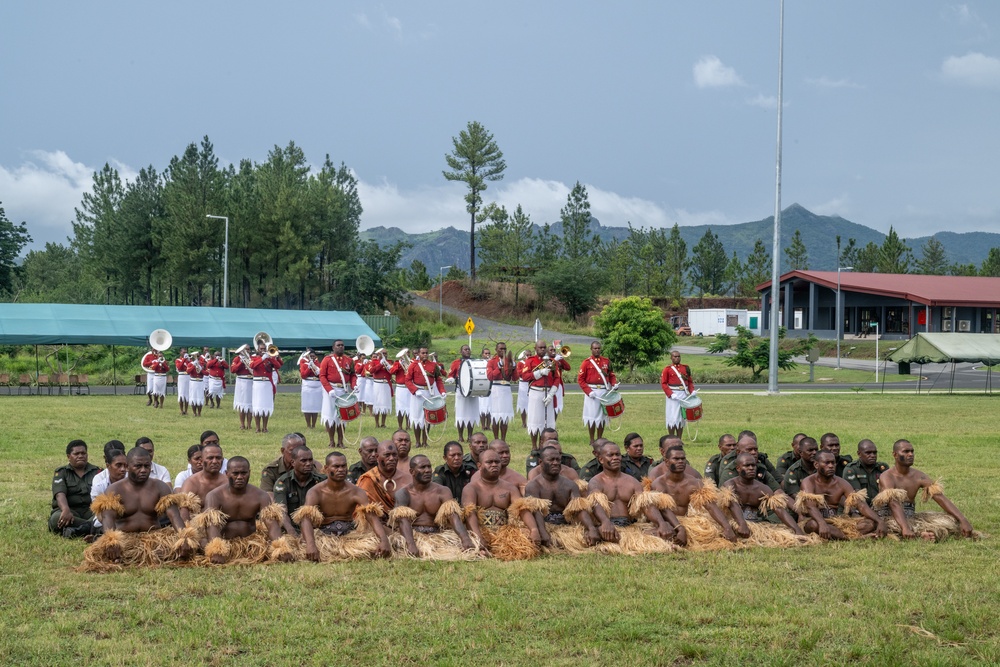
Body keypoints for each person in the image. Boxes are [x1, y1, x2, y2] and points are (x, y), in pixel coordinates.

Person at [87, 447, 194, 565]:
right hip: (125, 538)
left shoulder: (161, 487)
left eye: (147, 466)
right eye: (138, 466)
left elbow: (174, 516)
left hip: (154, 538)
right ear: (127, 467)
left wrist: (184, 538)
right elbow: (108, 519)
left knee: (181, 551)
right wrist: (111, 542)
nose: (143, 470)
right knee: (100, 557)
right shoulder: (114, 489)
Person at [293, 451, 392, 561]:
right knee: (302, 550)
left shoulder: (356, 492)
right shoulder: (315, 492)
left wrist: (384, 540)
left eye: (343, 466)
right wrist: (311, 545)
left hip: (349, 535)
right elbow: (306, 519)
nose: (340, 469)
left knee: (374, 548)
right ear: (326, 469)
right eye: (336, 466)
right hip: (323, 536)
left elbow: (371, 517)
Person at [874, 439, 974, 540]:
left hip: (911, 517)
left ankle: (922, 532)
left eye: (912, 451)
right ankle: (920, 534)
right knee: (893, 526)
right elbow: (893, 504)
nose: (910, 454)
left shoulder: (919, 476)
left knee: (950, 522)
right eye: (905, 451)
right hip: (890, 517)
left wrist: (962, 520)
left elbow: (940, 497)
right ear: (895, 455)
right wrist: (905, 527)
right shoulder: (887, 477)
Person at [199, 456, 293, 564]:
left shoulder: (261, 496)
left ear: (249, 472)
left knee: (269, 549)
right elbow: (212, 526)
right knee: (201, 544)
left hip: (251, 543)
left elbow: (272, 525)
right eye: (235, 473)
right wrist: (216, 550)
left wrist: (281, 549)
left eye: (244, 473)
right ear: (227, 473)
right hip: (225, 543)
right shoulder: (215, 496)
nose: (240, 477)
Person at [587, 443, 681, 546]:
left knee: (666, 532)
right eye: (610, 455)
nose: (615, 458)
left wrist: (661, 523)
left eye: (617, 455)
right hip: (608, 526)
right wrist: (605, 522)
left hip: (629, 526)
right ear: (601, 459)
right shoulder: (596, 481)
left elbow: (646, 505)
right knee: (598, 534)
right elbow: (596, 504)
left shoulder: (632, 481)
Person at [462, 448, 545, 559]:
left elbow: (522, 508)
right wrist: (478, 537)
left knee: (526, 549)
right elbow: (469, 514)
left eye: (497, 462)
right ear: (479, 466)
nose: (494, 465)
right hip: (480, 530)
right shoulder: (471, 488)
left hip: (504, 533)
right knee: (474, 550)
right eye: (489, 462)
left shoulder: (509, 487)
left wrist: (534, 530)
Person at [390, 455, 476, 557]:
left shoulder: (442, 491)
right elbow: (402, 521)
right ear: (412, 471)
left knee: (463, 551)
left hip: (437, 536)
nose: (427, 470)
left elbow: (453, 516)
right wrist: (411, 544)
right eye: (422, 467)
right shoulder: (403, 493)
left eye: (429, 466)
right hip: (413, 536)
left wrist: (465, 539)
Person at [651, 445, 738, 545]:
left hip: (686, 522)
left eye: (683, 459)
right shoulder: (659, 483)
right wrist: (680, 529)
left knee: (712, 534)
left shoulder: (694, 483)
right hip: (665, 523)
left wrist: (726, 527)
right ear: (666, 461)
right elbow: (664, 509)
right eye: (676, 459)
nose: (680, 461)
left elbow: (711, 506)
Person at [796, 451, 886, 540]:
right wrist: (822, 523)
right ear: (816, 465)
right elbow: (811, 507)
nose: (831, 466)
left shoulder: (841, 483)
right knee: (814, 525)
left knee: (870, 523)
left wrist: (879, 521)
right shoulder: (808, 482)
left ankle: (840, 535)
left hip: (836, 522)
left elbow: (860, 504)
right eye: (827, 463)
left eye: (833, 463)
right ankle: (852, 538)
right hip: (813, 521)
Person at [524, 446, 600, 549]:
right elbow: (535, 512)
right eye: (551, 460)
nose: (555, 463)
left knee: (588, 539)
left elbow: (579, 509)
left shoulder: (570, 485)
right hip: (545, 525)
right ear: (541, 462)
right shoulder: (533, 486)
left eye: (557, 460)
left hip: (567, 527)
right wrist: (542, 532)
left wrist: (591, 528)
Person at [722, 453, 804, 536]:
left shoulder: (763, 489)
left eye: (753, 465)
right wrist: (742, 524)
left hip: (755, 525)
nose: (751, 468)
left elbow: (779, 510)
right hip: (733, 523)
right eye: (747, 466)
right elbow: (733, 505)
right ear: (738, 468)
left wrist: (797, 530)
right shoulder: (730, 484)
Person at [49, 440, 100, 538]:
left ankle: (78, 530)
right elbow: (60, 493)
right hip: (70, 510)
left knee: (106, 514)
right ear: (69, 456)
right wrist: (65, 509)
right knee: (56, 519)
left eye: (83, 453)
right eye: (76, 454)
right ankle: (91, 528)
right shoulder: (61, 472)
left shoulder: (97, 471)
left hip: (91, 511)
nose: (80, 456)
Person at [273, 447, 326, 533]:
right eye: (303, 461)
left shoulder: (321, 481)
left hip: (317, 530)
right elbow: (282, 513)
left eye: (310, 460)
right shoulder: (283, 482)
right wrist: (291, 531)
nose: (308, 464)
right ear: (293, 462)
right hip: (292, 528)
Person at [319, 339, 357, 449]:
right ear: (333, 348)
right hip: (331, 390)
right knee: (330, 415)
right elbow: (322, 376)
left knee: (343, 416)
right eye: (338, 345)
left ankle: (341, 441)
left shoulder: (349, 360)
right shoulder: (327, 360)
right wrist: (329, 389)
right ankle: (331, 441)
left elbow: (353, 374)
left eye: (342, 345)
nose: (341, 347)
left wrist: (354, 385)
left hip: (343, 390)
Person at [577, 340, 617, 444]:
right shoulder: (586, 363)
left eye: (599, 348)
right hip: (592, 392)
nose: (597, 350)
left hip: (603, 390)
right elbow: (580, 379)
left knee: (602, 416)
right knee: (592, 416)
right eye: (595, 348)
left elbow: (611, 374)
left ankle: (599, 438)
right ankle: (591, 439)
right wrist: (588, 391)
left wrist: (614, 384)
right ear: (591, 349)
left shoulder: (606, 361)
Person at [406, 347, 446, 449]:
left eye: (426, 353)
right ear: (419, 353)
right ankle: (418, 441)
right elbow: (408, 380)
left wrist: (442, 391)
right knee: (417, 417)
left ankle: (425, 441)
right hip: (418, 394)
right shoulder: (413, 365)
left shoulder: (433, 365)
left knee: (428, 417)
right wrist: (415, 390)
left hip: (429, 392)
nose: (425, 355)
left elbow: (438, 379)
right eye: (423, 353)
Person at [179, 443, 227, 519]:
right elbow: (183, 511)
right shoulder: (191, 482)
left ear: (222, 460)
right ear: (202, 460)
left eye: (218, 458)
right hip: (196, 527)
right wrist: (187, 529)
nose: (214, 461)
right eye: (210, 458)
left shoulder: (227, 482)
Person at [356, 441, 406, 511]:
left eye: (394, 455)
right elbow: (364, 510)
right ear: (377, 457)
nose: (391, 458)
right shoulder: (368, 479)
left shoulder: (407, 479)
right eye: (387, 455)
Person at [841, 439, 889, 506]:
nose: (872, 455)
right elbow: (857, 497)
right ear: (859, 454)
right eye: (868, 453)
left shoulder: (882, 468)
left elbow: (888, 492)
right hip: (860, 507)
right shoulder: (851, 469)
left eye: (874, 453)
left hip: (881, 506)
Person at [250, 340, 282, 433]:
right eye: (261, 349)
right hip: (258, 383)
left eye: (264, 349)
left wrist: (271, 358)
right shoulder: (254, 358)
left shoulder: (269, 358)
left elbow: (278, 366)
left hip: (267, 383)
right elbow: (252, 365)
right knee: (257, 405)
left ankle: (265, 427)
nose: (262, 350)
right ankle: (257, 427)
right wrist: (262, 359)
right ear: (257, 349)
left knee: (266, 405)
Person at [661, 350, 695, 439]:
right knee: (672, 417)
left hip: (683, 394)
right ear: (671, 358)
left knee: (681, 417)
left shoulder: (685, 368)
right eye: (675, 356)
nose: (677, 358)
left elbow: (690, 381)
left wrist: (692, 391)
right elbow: (664, 383)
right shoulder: (667, 369)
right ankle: (671, 438)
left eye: (678, 356)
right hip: (673, 395)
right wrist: (671, 394)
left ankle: (679, 438)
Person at [449, 345, 479, 444]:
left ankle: (470, 435)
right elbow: (451, 374)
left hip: (472, 390)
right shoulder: (456, 363)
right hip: (460, 390)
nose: (467, 351)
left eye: (468, 349)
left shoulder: (474, 362)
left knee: (471, 413)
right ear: (461, 351)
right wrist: (451, 378)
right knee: (460, 413)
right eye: (465, 349)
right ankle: (460, 436)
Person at [485, 342, 516, 441]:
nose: (503, 351)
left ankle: (503, 439)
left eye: (504, 349)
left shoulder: (509, 361)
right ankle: (496, 439)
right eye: (500, 349)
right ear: (496, 350)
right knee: (495, 415)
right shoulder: (492, 362)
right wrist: (499, 367)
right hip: (496, 389)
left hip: (506, 388)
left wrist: (514, 368)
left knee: (505, 415)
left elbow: (515, 378)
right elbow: (490, 376)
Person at [259, 433, 306, 497]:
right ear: (283, 451)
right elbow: (268, 496)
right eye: (292, 450)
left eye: (300, 450)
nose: (297, 454)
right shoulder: (271, 470)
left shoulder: (307, 467)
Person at [367, 350, 394, 429]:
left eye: (385, 353)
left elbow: (392, 371)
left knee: (385, 404)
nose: (384, 355)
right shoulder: (374, 362)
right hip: (377, 384)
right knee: (377, 404)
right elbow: (371, 371)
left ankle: (383, 423)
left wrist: (387, 364)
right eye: (382, 353)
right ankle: (377, 423)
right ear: (379, 355)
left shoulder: (389, 362)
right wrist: (380, 364)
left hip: (386, 384)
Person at [297, 349, 322, 429]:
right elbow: (303, 375)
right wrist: (309, 367)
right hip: (307, 386)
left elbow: (320, 375)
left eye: (313, 356)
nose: (312, 357)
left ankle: (314, 425)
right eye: (310, 356)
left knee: (315, 406)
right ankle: (308, 425)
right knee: (307, 406)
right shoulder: (304, 364)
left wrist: (315, 367)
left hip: (317, 386)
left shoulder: (319, 364)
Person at [230, 346, 254, 430]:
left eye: (247, 349)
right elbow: (233, 370)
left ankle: (249, 424)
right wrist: (241, 362)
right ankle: (242, 424)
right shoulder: (237, 359)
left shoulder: (252, 358)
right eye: (245, 350)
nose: (246, 351)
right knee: (241, 404)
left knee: (250, 404)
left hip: (250, 380)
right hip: (241, 381)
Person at [547, 343, 571, 425]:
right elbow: (548, 368)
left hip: (559, 386)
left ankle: (553, 423)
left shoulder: (558, 360)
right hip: (550, 385)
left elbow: (568, 368)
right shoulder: (546, 360)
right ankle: (547, 423)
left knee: (557, 406)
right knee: (550, 405)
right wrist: (555, 360)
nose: (553, 352)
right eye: (551, 350)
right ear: (547, 352)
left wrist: (561, 359)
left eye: (554, 350)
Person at [389, 350, 411, 431]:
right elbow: (391, 371)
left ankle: (408, 425)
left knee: (409, 407)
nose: (406, 355)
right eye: (404, 354)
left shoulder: (411, 362)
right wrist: (399, 365)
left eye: (407, 353)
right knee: (400, 407)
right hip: (400, 387)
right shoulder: (397, 363)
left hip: (409, 387)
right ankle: (400, 426)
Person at [185, 349, 206, 417]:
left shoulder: (203, 364)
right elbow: (188, 372)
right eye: (195, 356)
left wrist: (200, 368)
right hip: (193, 381)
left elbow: (207, 373)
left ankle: (199, 413)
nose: (196, 357)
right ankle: (194, 413)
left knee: (200, 397)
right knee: (193, 397)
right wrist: (194, 365)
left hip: (200, 382)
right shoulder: (190, 364)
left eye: (197, 356)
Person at [515, 350, 529, 429]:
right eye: (527, 355)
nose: (528, 356)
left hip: (530, 383)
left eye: (529, 355)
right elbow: (519, 373)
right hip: (523, 383)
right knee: (523, 403)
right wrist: (526, 368)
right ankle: (524, 422)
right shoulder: (520, 363)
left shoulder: (530, 362)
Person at [175, 348, 190, 416]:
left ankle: (186, 410)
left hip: (188, 377)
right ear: (180, 352)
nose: (185, 354)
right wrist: (184, 359)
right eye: (183, 352)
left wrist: (189, 361)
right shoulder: (178, 360)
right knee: (181, 393)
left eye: (186, 352)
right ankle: (181, 410)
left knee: (187, 393)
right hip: (181, 376)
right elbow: (179, 367)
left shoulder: (189, 361)